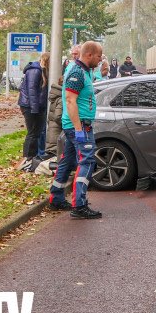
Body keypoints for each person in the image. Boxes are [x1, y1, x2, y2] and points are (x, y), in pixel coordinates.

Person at [47, 41, 105, 219]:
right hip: (78, 126)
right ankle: (79, 205)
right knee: (87, 162)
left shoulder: (84, 71)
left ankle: (56, 198)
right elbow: (70, 100)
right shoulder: (77, 72)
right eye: (98, 56)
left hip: (75, 125)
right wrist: (79, 130)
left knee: (67, 161)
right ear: (89, 55)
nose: (100, 60)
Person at [17, 52, 47, 168]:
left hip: (34, 106)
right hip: (30, 106)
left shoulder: (40, 70)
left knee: (35, 133)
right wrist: (35, 109)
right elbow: (32, 91)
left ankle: (31, 158)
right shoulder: (35, 70)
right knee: (32, 133)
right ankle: (27, 158)